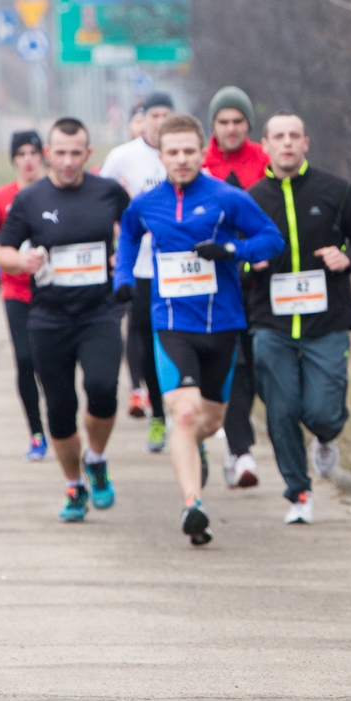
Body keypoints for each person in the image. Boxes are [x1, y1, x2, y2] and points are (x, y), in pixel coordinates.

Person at [114, 113, 283, 546]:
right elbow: (128, 235)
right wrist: (123, 279)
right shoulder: (146, 203)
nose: (182, 159)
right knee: (184, 414)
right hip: (171, 322)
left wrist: (231, 249)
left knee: (209, 419)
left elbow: (272, 239)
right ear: (161, 155)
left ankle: (194, 447)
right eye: (173, 152)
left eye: (189, 151)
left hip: (223, 323)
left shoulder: (227, 197)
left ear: (202, 151)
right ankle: (193, 504)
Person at [0, 118, 130, 521]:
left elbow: (135, 231)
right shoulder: (30, 199)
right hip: (49, 318)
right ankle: (74, 485)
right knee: (59, 408)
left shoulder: (109, 192)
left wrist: (121, 257)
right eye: (61, 153)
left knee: (103, 389)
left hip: (99, 312)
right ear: (48, 154)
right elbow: (1, 249)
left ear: (88, 154)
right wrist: (22, 260)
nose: (68, 161)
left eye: (76, 153)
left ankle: (96, 458)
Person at [247, 112, 351, 524]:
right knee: (281, 410)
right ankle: (298, 492)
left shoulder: (336, 191)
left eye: (294, 136)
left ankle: (325, 436)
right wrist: (251, 263)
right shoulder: (249, 200)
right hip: (271, 323)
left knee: (323, 412)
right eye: (278, 136)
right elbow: (233, 254)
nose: (286, 143)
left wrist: (347, 257)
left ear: (306, 143)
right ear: (265, 145)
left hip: (326, 321)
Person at [202, 86, 271, 487]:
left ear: (248, 124)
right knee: (235, 366)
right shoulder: (200, 163)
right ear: (213, 125)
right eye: (223, 121)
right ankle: (240, 452)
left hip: (262, 279)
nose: (231, 128)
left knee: (261, 364)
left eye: (238, 121)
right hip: (217, 280)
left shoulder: (264, 161)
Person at [99, 92, 175, 452]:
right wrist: (114, 240)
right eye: (153, 115)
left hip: (180, 266)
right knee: (143, 335)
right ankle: (157, 413)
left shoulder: (184, 153)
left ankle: (188, 413)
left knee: (181, 337)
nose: (159, 121)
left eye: (165, 114)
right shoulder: (123, 157)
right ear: (142, 119)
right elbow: (99, 201)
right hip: (141, 265)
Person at [0, 131, 49, 461]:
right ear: (13, 160)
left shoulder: (57, 193)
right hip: (16, 290)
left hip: (54, 291)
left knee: (52, 364)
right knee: (25, 360)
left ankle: (59, 424)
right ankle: (36, 433)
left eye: (34, 152)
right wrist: (6, 251)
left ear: (43, 156)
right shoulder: (0, 198)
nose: (28, 160)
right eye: (21, 154)